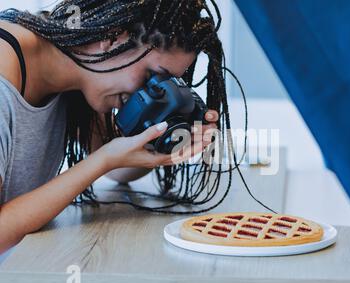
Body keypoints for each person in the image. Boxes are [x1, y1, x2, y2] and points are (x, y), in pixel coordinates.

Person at [0, 0, 228, 254]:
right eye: (152, 77)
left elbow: (118, 171)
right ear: (112, 37)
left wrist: (167, 143)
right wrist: (103, 160)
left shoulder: (78, 72)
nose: (148, 95)